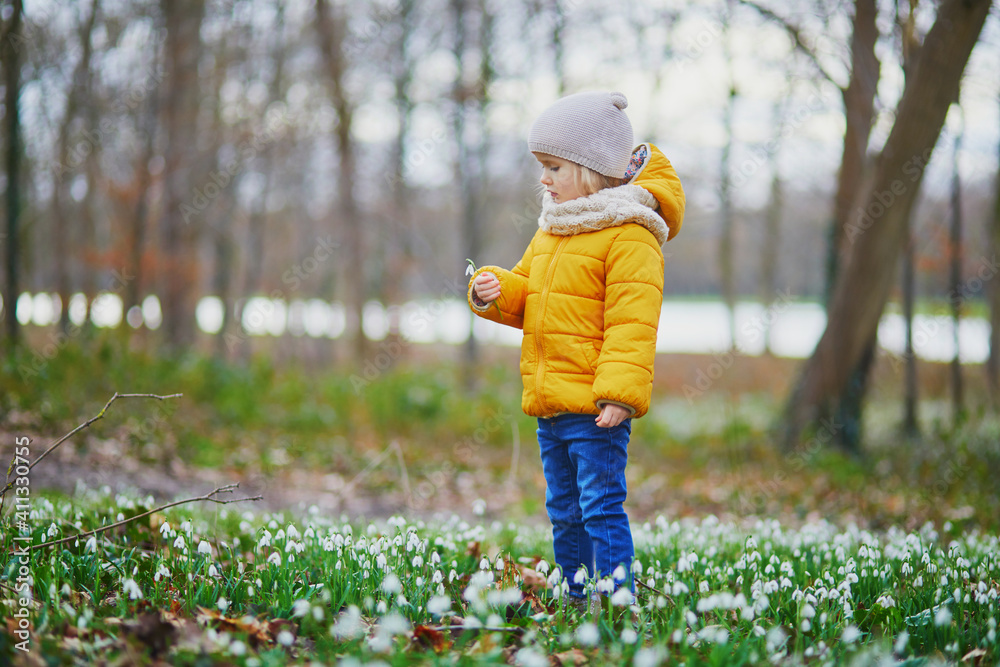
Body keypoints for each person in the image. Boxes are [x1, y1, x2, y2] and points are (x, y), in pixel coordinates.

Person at [466, 91, 685, 609]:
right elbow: (528, 292)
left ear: (590, 169)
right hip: (552, 402)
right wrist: (493, 289)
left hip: (597, 408)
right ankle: (577, 597)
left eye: (553, 166)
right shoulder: (553, 229)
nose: (543, 178)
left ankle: (613, 603)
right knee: (564, 509)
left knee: (599, 507)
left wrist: (619, 395)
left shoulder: (630, 234)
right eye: (541, 166)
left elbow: (633, 323)